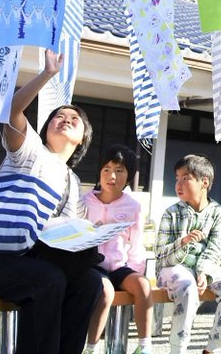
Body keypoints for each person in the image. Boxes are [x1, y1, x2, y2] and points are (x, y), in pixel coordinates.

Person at [0, 50, 103, 354]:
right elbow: (12, 112)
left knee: (90, 282)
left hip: (32, 262)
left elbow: (65, 239)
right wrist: (47, 74)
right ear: (46, 128)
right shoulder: (30, 151)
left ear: (83, 137)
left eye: (74, 119)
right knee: (48, 280)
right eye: (58, 117)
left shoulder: (73, 183)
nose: (65, 120)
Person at [155, 155, 221, 354]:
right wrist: (183, 242)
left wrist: (204, 272)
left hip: (205, 268)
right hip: (172, 269)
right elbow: (161, 255)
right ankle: (178, 349)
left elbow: (216, 250)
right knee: (187, 286)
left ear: (204, 182)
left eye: (186, 178)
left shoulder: (219, 213)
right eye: (177, 178)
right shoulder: (171, 213)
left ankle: (213, 349)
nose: (179, 184)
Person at [82, 145, 152, 354]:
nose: (112, 176)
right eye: (107, 169)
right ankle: (91, 348)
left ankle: (144, 347)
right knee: (105, 291)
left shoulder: (133, 206)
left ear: (128, 176)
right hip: (93, 266)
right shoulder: (84, 200)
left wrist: (135, 270)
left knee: (143, 285)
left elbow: (137, 243)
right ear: (99, 173)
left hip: (120, 266)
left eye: (120, 170)